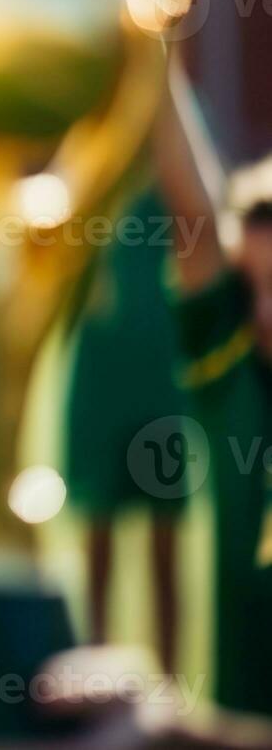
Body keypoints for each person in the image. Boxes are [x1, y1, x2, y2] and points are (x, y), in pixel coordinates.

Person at [150, 54, 272, 719]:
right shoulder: (226, 361)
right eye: (252, 288)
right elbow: (193, 214)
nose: (265, 313)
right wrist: (153, 58)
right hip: (239, 716)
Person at [63, 184, 190, 670]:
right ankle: (92, 685)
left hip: (161, 375)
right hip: (99, 379)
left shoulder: (168, 173)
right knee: (97, 545)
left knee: (165, 548)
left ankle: (170, 692)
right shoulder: (91, 169)